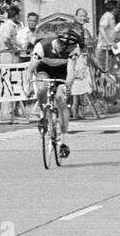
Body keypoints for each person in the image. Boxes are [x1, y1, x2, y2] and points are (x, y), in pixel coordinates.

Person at [27, 28, 84, 157]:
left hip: (62, 71)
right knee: (41, 88)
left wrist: (66, 88)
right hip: (44, 68)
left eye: (65, 47)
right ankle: (43, 115)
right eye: (60, 44)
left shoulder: (74, 48)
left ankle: (64, 143)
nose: (61, 48)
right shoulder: (42, 46)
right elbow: (30, 69)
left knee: (61, 101)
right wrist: (28, 84)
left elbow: (71, 72)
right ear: (57, 40)